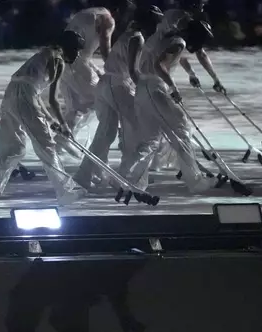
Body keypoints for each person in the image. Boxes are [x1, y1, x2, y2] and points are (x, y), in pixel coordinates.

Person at [0, 30, 87, 208]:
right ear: (69, 48)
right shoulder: (57, 60)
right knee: (46, 145)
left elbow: (33, 91)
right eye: (76, 50)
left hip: (12, 94)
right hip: (23, 97)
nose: (78, 54)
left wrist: (51, 121)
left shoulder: (43, 54)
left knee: (14, 148)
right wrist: (65, 126)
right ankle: (65, 191)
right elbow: (52, 100)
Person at [73, 5, 164, 190]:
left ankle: (84, 174)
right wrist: (145, 89)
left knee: (105, 134)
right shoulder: (137, 38)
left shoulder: (127, 33)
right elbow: (133, 70)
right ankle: (127, 176)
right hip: (118, 86)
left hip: (105, 84)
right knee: (137, 130)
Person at [126, 18, 218, 193]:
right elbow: (159, 65)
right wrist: (173, 87)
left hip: (142, 88)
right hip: (156, 88)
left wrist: (190, 73)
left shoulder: (163, 35)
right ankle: (195, 181)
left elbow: (172, 59)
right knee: (181, 130)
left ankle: (133, 180)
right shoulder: (178, 42)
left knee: (150, 140)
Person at [146, 0, 227, 171]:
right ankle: (188, 168)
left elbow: (177, 53)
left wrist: (191, 73)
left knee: (160, 123)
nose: (203, 7)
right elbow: (194, 51)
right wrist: (215, 79)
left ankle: (159, 163)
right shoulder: (184, 21)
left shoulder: (171, 16)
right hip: (157, 76)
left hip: (152, 71)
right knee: (179, 123)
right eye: (201, 4)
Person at [58, 1, 133, 145]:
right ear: (119, 12)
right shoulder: (108, 19)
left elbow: (84, 51)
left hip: (62, 61)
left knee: (76, 108)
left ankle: (64, 139)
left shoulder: (89, 13)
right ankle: (65, 139)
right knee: (100, 99)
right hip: (76, 62)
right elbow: (105, 49)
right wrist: (117, 71)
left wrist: (97, 70)